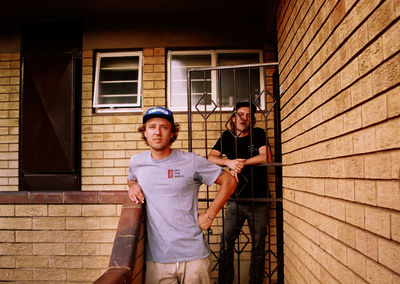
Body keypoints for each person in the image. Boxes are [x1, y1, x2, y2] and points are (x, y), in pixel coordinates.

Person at [128, 106, 237, 284]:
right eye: (152, 127)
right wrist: (132, 185)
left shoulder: (191, 161)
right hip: (157, 260)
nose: (157, 132)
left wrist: (210, 215)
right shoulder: (137, 162)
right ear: (145, 133)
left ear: (172, 133)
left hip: (193, 257)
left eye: (164, 127)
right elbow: (132, 178)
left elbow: (229, 181)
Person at [208, 101, 272, 284]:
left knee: (259, 246)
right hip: (235, 199)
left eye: (248, 115)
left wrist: (240, 163)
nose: (244, 118)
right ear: (233, 118)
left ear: (252, 119)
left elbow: (266, 156)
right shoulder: (227, 137)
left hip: (259, 199)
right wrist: (228, 163)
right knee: (226, 243)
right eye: (241, 114)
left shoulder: (258, 134)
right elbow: (211, 157)